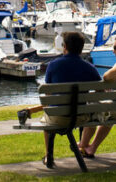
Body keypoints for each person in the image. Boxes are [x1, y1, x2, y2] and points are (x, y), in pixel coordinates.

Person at [41, 31, 101, 164]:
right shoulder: (89, 67)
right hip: (81, 117)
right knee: (94, 113)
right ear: (81, 48)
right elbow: (100, 90)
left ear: (65, 46)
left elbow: (48, 93)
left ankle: (48, 155)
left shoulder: (53, 65)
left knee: (46, 120)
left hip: (58, 118)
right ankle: (83, 146)